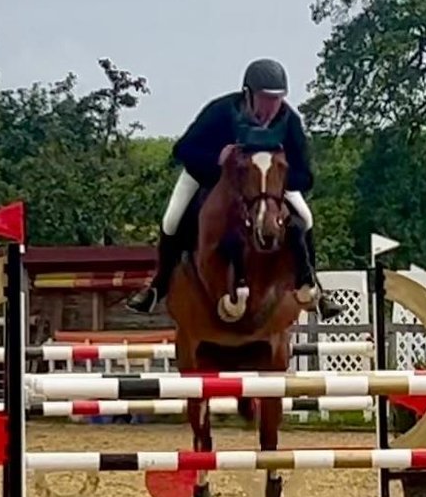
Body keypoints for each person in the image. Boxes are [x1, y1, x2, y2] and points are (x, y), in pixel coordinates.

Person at [126, 58, 342, 319]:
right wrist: (217, 159)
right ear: (248, 93)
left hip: (266, 185)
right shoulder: (221, 112)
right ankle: (157, 287)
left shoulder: (289, 121)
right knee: (172, 220)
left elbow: (305, 175)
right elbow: (183, 149)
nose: (271, 107)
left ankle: (313, 285)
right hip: (208, 176)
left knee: (305, 219)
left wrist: (277, 178)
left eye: (276, 99)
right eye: (265, 99)